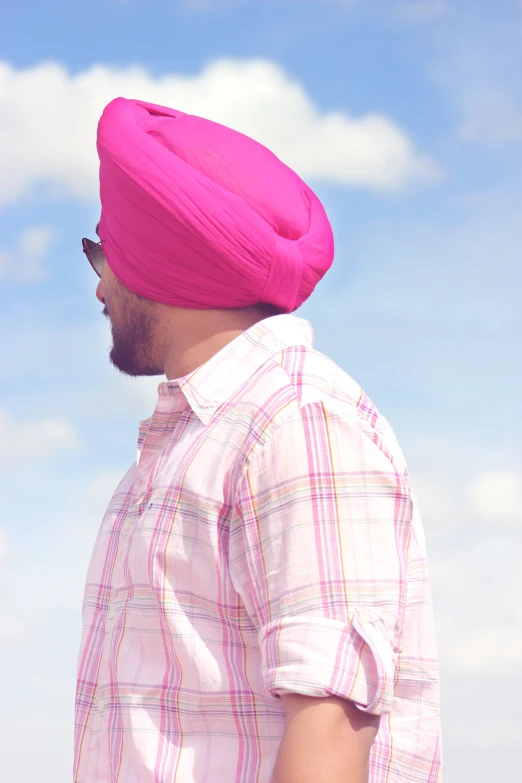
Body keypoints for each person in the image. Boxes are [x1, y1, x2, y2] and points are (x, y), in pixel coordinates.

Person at [75, 98, 441, 783]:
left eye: (107, 252)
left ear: (159, 263)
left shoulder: (298, 423)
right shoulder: (190, 442)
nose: (99, 285)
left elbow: (327, 738)